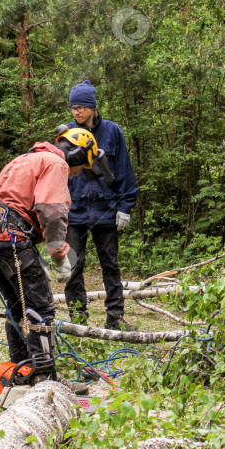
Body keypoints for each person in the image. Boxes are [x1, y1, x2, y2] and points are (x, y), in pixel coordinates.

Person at [0, 127, 103, 391]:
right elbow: (52, 210)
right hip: (11, 235)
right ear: (78, 155)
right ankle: (46, 379)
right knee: (40, 308)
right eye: (81, 168)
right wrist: (59, 254)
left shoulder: (25, 159)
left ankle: (22, 368)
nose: (77, 174)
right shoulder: (56, 163)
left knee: (17, 307)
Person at [63, 80, 139, 331]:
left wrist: (125, 207)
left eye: (82, 107)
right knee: (73, 267)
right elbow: (59, 175)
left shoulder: (112, 131)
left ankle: (115, 319)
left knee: (111, 266)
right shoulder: (66, 136)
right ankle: (78, 320)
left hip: (107, 212)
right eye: (73, 108)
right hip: (74, 213)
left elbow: (124, 171)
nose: (77, 112)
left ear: (93, 107)